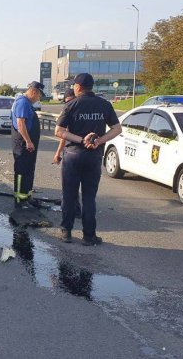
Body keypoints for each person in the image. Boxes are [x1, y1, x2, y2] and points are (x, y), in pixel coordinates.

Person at [54, 73, 121, 245]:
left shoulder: (71, 105)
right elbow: (117, 129)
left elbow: (59, 131)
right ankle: (89, 236)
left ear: (77, 87)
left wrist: (80, 140)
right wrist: (99, 141)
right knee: (89, 198)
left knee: (69, 195)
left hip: (73, 156)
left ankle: (66, 232)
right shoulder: (104, 104)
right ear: (92, 87)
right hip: (94, 156)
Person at [10, 81, 44, 209]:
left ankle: (27, 197)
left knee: (29, 171)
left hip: (28, 144)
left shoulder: (26, 103)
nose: (39, 98)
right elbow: (20, 124)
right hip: (23, 144)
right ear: (34, 92)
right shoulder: (23, 103)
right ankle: (20, 200)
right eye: (39, 95)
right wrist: (28, 141)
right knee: (21, 171)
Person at [53, 88, 81, 218]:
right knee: (74, 185)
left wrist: (58, 152)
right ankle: (76, 209)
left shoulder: (72, 112)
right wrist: (58, 152)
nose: (68, 103)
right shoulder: (71, 110)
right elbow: (64, 135)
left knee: (70, 185)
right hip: (75, 152)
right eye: (66, 101)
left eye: (70, 100)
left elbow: (62, 134)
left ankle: (72, 212)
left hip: (74, 153)